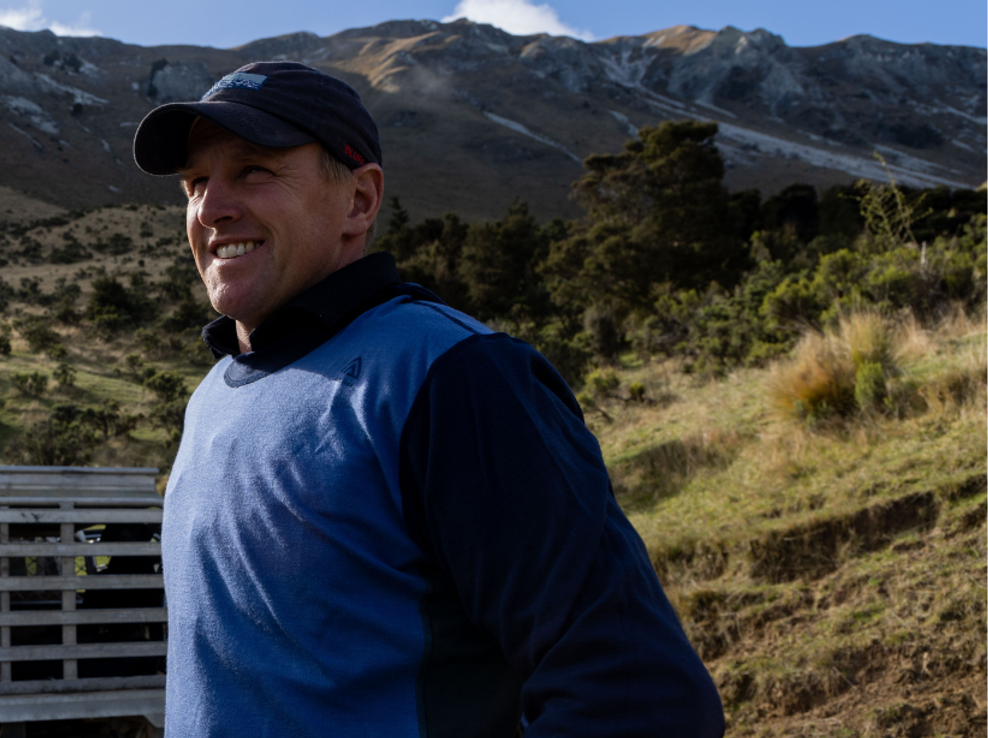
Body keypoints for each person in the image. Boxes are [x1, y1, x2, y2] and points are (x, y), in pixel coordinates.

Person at [133, 61, 725, 737]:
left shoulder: (451, 376)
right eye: (195, 183)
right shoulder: (213, 394)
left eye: (253, 171)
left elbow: (637, 697)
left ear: (359, 200)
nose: (211, 208)